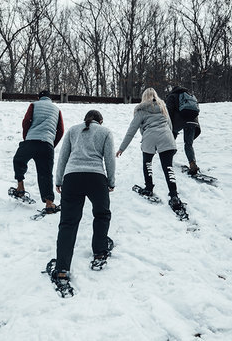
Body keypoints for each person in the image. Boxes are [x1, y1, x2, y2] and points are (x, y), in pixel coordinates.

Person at [53, 110, 115, 283]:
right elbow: (110, 159)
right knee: (102, 215)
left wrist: (59, 180)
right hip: (96, 178)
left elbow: (63, 157)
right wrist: (111, 181)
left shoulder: (73, 130)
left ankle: (62, 268)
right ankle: (100, 252)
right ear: (100, 121)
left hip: (72, 178)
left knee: (68, 222)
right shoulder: (105, 132)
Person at [116, 87, 183, 210]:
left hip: (149, 138)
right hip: (166, 137)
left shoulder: (141, 110)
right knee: (168, 167)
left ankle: (149, 188)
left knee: (147, 163)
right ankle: (174, 195)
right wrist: (171, 141)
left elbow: (131, 131)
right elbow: (169, 125)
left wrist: (121, 148)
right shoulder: (163, 107)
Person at [10, 89, 64, 213]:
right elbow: (60, 130)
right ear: (50, 98)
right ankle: (49, 203)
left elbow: (26, 121)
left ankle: (20, 187)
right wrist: (52, 144)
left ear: (39, 97)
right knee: (45, 173)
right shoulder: (57, 110)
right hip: (47, 145)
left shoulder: (34, 105)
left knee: (18, 160)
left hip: (31, 141)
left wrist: (26, 137)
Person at [165, 86, 201, 175]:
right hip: (193, 121)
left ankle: (168, 157)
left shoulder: (172, 96)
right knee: (188, 144)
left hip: (179, 121)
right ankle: (192, 164)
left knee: (171, 138)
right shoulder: (190, 95)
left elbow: (169, 112)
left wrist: (168, 126)